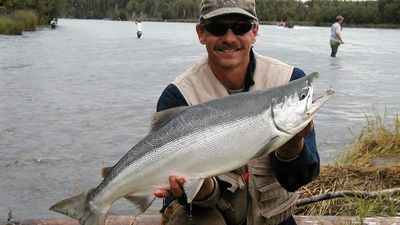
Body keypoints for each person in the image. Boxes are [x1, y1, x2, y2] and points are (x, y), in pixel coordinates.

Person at [153, 0, 320, 225]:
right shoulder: (178, 96)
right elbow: (178, 197)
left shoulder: (289, 82)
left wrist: (292, 144)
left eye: (240, 26)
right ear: (201, 33)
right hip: (210, 215)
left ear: (255, 31)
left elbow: (298, 179)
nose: (229, 38)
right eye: (217, 27)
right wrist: (203, 188)